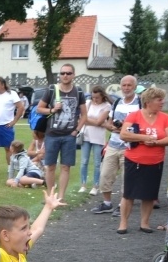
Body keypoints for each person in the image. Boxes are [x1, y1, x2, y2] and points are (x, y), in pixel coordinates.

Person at [117, 87, 168, 234]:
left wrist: (156, 143)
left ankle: (145, 223)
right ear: (148, 101)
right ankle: (123, 223)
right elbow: (123, 134)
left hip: (155, 161)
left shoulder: (165, 117)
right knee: (128, 194)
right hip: (134, 160)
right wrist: (144, 138)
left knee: (149, 194)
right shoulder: (134, 115)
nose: (162, 102)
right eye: (159, 100)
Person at [91, 75, 142, 216]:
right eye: (124, 85)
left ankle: (122, 205)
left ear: (135, 87)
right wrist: (112, 127)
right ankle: (107, 203)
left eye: (129, 85)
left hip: (130, 146)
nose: (126, 88)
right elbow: (109, 122)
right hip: (113, 144)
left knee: (127, 178)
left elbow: (142, 124)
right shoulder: (117, 102)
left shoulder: (140, 103)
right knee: (105, 174)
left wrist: (125, 130)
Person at [35, 64, 86, 201]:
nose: (65, 76)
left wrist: (76, 130)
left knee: (65, 167)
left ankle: (61, 197)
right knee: (50, 166)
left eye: (68, 73)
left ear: (73, 75)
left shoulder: (78, 91)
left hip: (69, 135)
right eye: (63, 73)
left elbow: (84, 115)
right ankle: (51, 196)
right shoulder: (52, 89)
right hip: (52, 134)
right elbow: (39, 109)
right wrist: (52, 110)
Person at [79, 86, 112, 195]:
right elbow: (82, 118)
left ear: (102, 96)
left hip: (98, 137)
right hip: (86, 135)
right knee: (84, 161)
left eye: (97, 97)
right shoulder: (88, 103)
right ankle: (83, 185)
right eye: (93, 97)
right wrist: (100, 123)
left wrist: (89, 121)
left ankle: (95, 186)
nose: (95, 99)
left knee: (97, 163)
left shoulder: (106, 106)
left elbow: (98, 121)